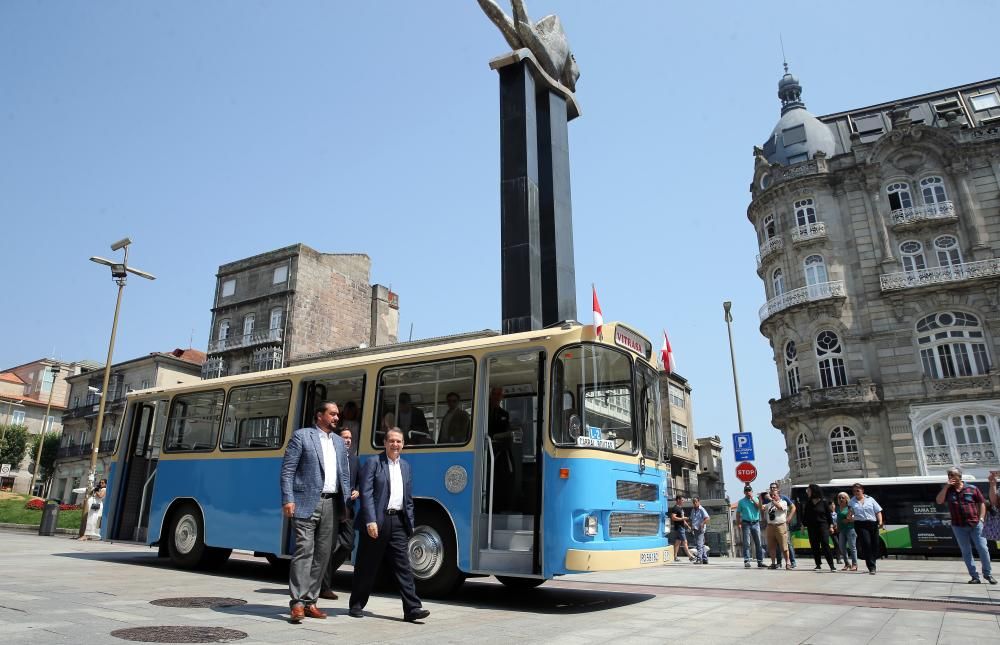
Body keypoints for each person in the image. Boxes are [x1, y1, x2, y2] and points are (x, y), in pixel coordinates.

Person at [279, 401, 351, 623]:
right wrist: (288, 499)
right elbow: (287, 471)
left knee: (322, 554)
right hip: (305, 502)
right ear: (319, 415)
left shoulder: (339, 443)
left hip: (331, 504)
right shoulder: (302, 436)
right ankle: (297, 603)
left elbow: (344, 475)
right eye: (332, 414)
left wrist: (345, 504)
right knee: (304, 551)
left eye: (337, 415)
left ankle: (311, 602)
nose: (336, 418)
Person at [348, 428, 430, 622]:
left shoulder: (406, 466)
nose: (395, 445)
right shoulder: (373, 463)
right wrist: (370, 520)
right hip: (377, 521)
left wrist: (410, 522)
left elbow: (407, 498)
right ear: (384, 443)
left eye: (399, 442)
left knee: (404, 567)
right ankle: (357, 604)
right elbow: (366, 494)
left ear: (403, 445)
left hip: (398, 521)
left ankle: (412, 608)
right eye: (391, 441)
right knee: (367, 565)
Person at [935, 466, 996, 584]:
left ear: (960, 476)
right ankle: (974, 577)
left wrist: (982, 518)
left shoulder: (972, 489)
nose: (950, 477)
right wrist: (946, 486)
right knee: (966, 551)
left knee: (983, 548)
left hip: (975, 524)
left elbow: (982, 503)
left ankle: (988, 574)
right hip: (958, 526)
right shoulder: (948, 490)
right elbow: (939, 500)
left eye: (953, 475)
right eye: (949, 475)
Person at [320, 427, 361, 600]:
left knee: (347, 545)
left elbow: (359, 481)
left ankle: (322, 575)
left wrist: (357, 491)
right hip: (332, 507)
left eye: (350, 438)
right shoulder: (331, 457)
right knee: (327, 547)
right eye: (344, 437)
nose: (348, 440)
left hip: (348, 509)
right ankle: (324, 587)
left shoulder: (355, 460)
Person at [487, 386, 517, 511]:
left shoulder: (504, 414)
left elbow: (507, 431)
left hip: (498, 450)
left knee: (502, 477)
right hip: (484, 450)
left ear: (501, 397)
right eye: (494, 394)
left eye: (499, 394)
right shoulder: (483, 411)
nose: (496, 397)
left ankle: (500, 507)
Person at [848, 482, 883, 575]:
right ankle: (871, 567)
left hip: (873, 524)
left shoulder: (870, 499)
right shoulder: (852, 501)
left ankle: (872, 561)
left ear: (862, 490)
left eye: (858, 490)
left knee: (875, 545)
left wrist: (880, 522)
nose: (856, 492)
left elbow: (878, 511)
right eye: (854, 491)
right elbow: (850, 514)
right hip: (860, 524)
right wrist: (850, 516)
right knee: (866, 544)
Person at [802, 483, 836, 572]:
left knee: (825, 544)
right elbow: (805, 516)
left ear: (813, 491)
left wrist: (831, 526)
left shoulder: (823, 502)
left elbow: (829, 516)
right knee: (814, 546)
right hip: (811, 527)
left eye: (808, 490)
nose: (807, 492)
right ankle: (818, 564)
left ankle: (831, 565)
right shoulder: (808, 503)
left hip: (823, 526)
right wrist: (803, 525)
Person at [736, 485, 765, 568]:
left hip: (755, 523)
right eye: (746, 491)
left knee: (758, 542)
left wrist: (753, 499)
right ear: (744, 492)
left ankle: (760, 561)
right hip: (746, 523)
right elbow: (738, 513)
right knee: (746, 543)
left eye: (749, 490)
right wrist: (738, 523)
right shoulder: (741, 502)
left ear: (752, 491)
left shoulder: (756, 499)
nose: (748, 492)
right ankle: (747, 560)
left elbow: (760, 508)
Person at [769, 482, 797, 568]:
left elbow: (793, 507)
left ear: (778, 489)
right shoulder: (770, 498)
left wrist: (789, 517)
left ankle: (792, 562)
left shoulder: (783, 498)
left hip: (782, 524)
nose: (772, 489)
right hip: (772, 525)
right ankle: (779, 562)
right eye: (771, 488)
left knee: (787, 543)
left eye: (774, 487)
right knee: (775, 543)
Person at [764, 489, 791, 569]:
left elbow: (779, 507)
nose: (772, 496)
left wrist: (771, 499)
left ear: (779, 495)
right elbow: (760, 508)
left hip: (780, 526)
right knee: (771, 546)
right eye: (771, 495)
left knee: (784, 546)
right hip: (770, 526)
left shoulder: (783, 502)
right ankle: (773, 563)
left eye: (774, 495)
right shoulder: (769, 504)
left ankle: (788, 562)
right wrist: (761, 499)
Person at [835, 492, 857, 571]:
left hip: (850, 529)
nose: (841, 499)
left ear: (846, 499)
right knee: (841, 547)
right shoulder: (837, 508)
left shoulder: (850, 507)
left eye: (843, 498)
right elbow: (837, 519)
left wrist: (848, 519)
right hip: (841, 530)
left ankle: (854, 564)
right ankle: (847, 564)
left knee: (852, 547)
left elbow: (854, 518)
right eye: (839, 498)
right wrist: (836, 525)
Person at [669, 495, 694, 562]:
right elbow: (673, 517)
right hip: (679, 527)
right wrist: (683, 518)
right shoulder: (675, 508)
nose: (683, 501)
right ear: (678, 500)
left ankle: (675, 556)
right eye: (682, 500)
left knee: (678, 542)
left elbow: (683, 519)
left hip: (681, 527)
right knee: (685, 541)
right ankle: (690, 556)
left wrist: (687, 526)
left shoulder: (681, 508)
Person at [689, 497, 710, 564]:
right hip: (695, 529)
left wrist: (702, 523)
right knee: (701, 544)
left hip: (700, 529)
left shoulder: (701, 509)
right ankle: (705, 558)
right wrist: (691, 526)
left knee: (699, 544)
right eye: (693, 502)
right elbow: (692, 519)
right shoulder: (693, 510)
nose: (695, 503)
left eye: (696, 502)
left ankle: (699, 559)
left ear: (699, 502)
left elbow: (707, 518)